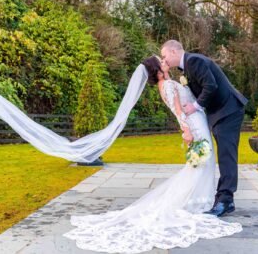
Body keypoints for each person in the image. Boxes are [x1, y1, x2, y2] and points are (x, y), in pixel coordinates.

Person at [62, 56, 242, 253]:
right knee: (202, 162)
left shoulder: (169, 83)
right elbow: (178, 111)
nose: (165, 62)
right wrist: (187, 131)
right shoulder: (166, 86)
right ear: (157, 70)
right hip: (194, 124)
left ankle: (204, 198)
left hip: (198, 120)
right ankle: (197, 200)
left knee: (203, 162)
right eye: (161, 61)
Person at [160, 40, 248, 217]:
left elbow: (211, 86)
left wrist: (195, 106)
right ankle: (223, 197)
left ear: (173, 51)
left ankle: (225, 200)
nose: (164, 59)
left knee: (226, 154)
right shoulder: (187, 67)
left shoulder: (194, 61)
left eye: (164, 55)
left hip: (228, 110)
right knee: (224, 154)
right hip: (219, 113)